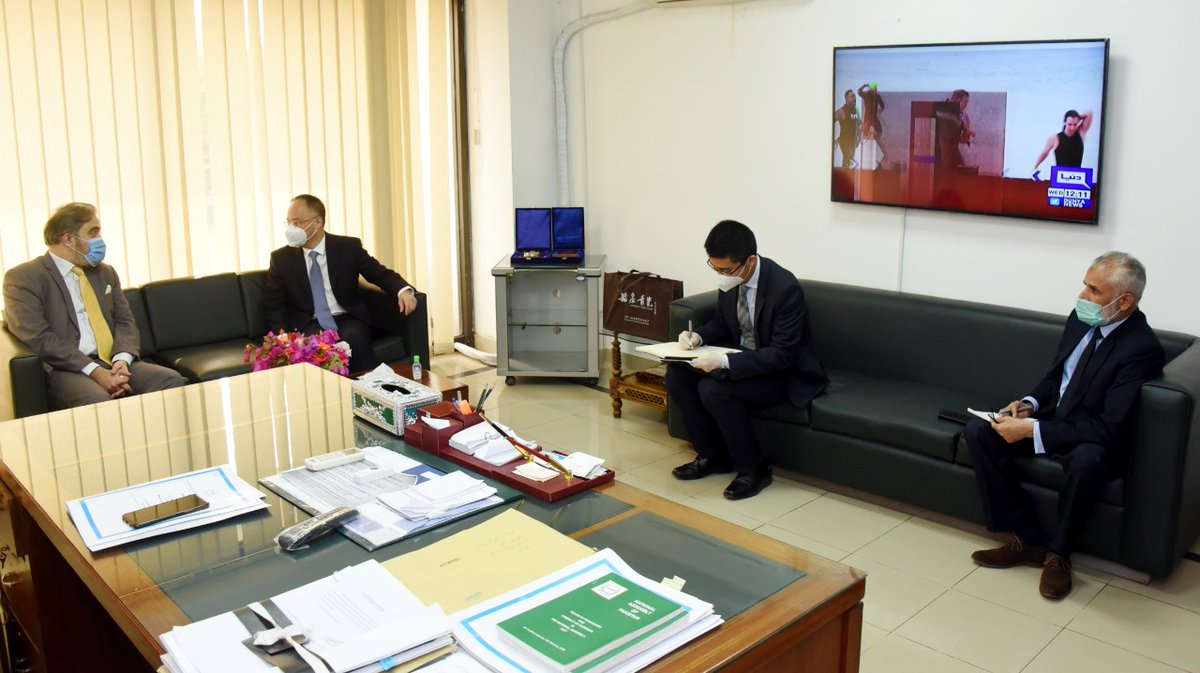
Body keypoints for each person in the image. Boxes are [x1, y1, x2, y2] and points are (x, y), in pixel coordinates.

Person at [965, 252, 1164, 599]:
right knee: (980, 432)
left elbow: (1111, 427)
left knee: (1088, 461)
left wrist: (1034, 432)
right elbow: (1057, 377)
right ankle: (1028, 539)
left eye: (1094, 290)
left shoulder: (1141, 349)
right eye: (1084, 285)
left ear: (1125, 301)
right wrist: (1029, 405)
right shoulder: (1080, 319)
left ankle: (1058, 555)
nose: (1082, 297)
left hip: (1096, 437)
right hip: (1057, 419)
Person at [666, 220, 829, 500]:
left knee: (713, 389)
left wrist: (725, 363)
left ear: (750, 262)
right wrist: (698, 338)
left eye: (726, 270)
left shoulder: (784, 288)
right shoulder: (731, 280)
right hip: (744, 359)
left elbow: (782, 354)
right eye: (714, 268)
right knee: (676, 376)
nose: (720, 275)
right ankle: (713, 456)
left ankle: (755, 469)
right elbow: (723, 323)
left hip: (781, 372)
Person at [3, 203, 186, 409]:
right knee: (97, 401)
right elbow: (40, 338)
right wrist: (96, 372)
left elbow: (125, 321)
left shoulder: (105, 272)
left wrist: (121, 361)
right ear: (68, 239)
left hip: (113, 362)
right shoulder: (24, 278)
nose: (100, 239)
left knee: (171, 381)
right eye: (93, 232)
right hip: (66, 369)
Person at [263, 194, 418, 373]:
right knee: (315, 347)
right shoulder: (281, 258)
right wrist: (281, 335)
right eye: (288, 223)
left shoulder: (347, 247)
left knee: (355, 337)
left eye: (297, 222)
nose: (291, 229)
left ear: (318, 222)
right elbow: (273, 303)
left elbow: (378, 273)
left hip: (346, 316)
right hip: (309, 321)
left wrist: (403, 290)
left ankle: (374, 388)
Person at [1033, 109, 1093, 176]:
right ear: (1065, 122)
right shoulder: (1055, 138)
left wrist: (1077, 117)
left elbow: (1089, 113)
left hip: (1077, 176)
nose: (1072, 128)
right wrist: (1035, 167)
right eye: (1069, 124)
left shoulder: (1081, 133)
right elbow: (1044, 153)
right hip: (1060, 176)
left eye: (1075, 124)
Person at [937, 89, 974, 170]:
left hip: (951, 151)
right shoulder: (941, 110)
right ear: (956, 99)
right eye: (964, 101)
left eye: (967, 102)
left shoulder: (964, 116)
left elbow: (962, 139)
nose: (966, 105)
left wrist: (965, 137)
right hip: (937, 150)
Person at [834, 89, 860, 169]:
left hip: (853, 141)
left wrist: (858, 138)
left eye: (855, 96)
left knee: (846, 165)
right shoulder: (841, 111)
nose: (854, 98)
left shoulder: (855, 110)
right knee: (850, 164)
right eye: (852, 96)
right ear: (846, 98)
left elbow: (857, 125)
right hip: (844, 141)